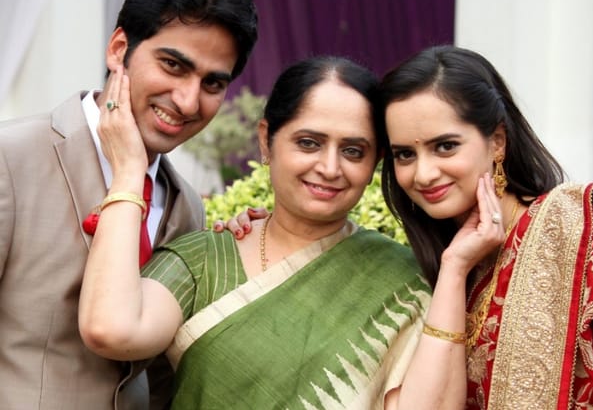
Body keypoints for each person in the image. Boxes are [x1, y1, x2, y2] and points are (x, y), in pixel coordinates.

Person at [232, 45, 593, 409]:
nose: (424, 174)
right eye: (405, 154)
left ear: (496, 141)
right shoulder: (444, 265)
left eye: (445, 147)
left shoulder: (576, 231)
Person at [78, 55, 507, 409]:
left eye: (353, 150)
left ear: (376, 161)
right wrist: (129, 173)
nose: (330, 168)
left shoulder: (402, 279)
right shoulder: (204, 259)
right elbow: (111, 330)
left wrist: (453, 269)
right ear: (267, 141)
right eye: (308, 143)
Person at [0, 0, 258, 408]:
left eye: (213, 84)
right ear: (119, 49)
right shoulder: (11, 158)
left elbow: (162, 377)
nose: (188, 101)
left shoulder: (186, 206)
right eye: (173, 65)